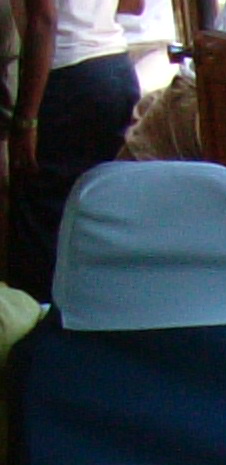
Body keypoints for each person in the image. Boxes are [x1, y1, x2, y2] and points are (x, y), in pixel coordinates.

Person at [7, 0, 140, 300]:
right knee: (101, 209)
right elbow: (135, 5)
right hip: (115, 69)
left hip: (66, 75)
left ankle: (43, 315)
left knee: (40, 220)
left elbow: (43, 19)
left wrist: (27, 120)